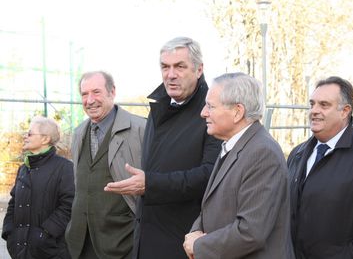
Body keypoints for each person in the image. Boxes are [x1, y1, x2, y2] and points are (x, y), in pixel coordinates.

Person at [104, 37, 221, 259]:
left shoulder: (211, 112)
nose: (171, 74)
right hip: (147, 238)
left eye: (180, 66)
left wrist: (150, 184)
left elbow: (211, 175)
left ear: (199, 70)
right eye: (165, 67)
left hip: (184, 240)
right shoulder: (160, 107)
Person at [182, 72, 294, 259]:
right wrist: (194, 234)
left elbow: (251, 232)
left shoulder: (262, 153)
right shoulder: (234, 145)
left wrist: (199, 245)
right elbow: (214, 205)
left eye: (210, 106)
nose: (203, 113)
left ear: (237, 112)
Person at [287, 76, 353, 259]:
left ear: (345, 111)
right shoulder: (297, 154)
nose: (314, 111)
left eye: (324, 105)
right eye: (312, 104)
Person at [64, 71, 146, 259]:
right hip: (80, 244)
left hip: (122, 243)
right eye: (84, 94)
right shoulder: (78, 133)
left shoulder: (141, 129)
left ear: (112, 92)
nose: (90, 100)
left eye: (96, 92)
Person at [2, 116, 74, 259]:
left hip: (50, 250)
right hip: (20, 249)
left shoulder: (64, 168)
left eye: (29, 134)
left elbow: (69, 205)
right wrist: (9, 231)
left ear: (45, 139)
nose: (25, 137)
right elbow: (13, 202)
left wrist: (44, 234)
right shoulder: (24, 168)